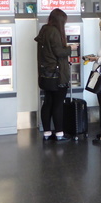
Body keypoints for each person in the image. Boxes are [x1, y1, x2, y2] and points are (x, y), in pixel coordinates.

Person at [35, 8, 71, 142]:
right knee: (58, 104)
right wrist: (69, 49)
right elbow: (59, 52)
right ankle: (60, 134)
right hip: (57, 75)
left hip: (46, 75)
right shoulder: (55, 32)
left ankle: (47, 133)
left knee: (47, 103)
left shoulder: (44, 30)